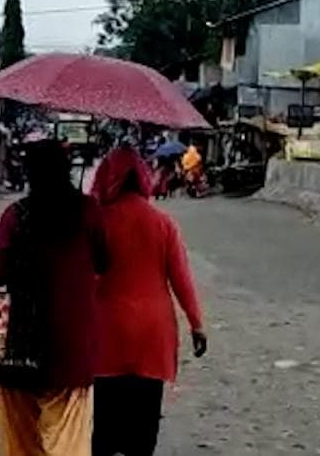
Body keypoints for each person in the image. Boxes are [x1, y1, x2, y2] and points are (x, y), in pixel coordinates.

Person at [0, 139, 109, 456]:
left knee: (22, 442)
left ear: (29, 174)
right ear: (66, 171)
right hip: (71, 348)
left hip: (20, 346)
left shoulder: (16, 214)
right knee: (68, 440)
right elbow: (105, 262)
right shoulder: (88, 211)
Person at [89, 146, 207, 456]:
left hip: (105, 334)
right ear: (143, 177)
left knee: (101, 429)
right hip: (152, 336)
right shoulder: (162, 222)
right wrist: (197, 325)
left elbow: (82, 278)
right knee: (143, 432)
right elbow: (181, 280)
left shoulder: (97, 222)